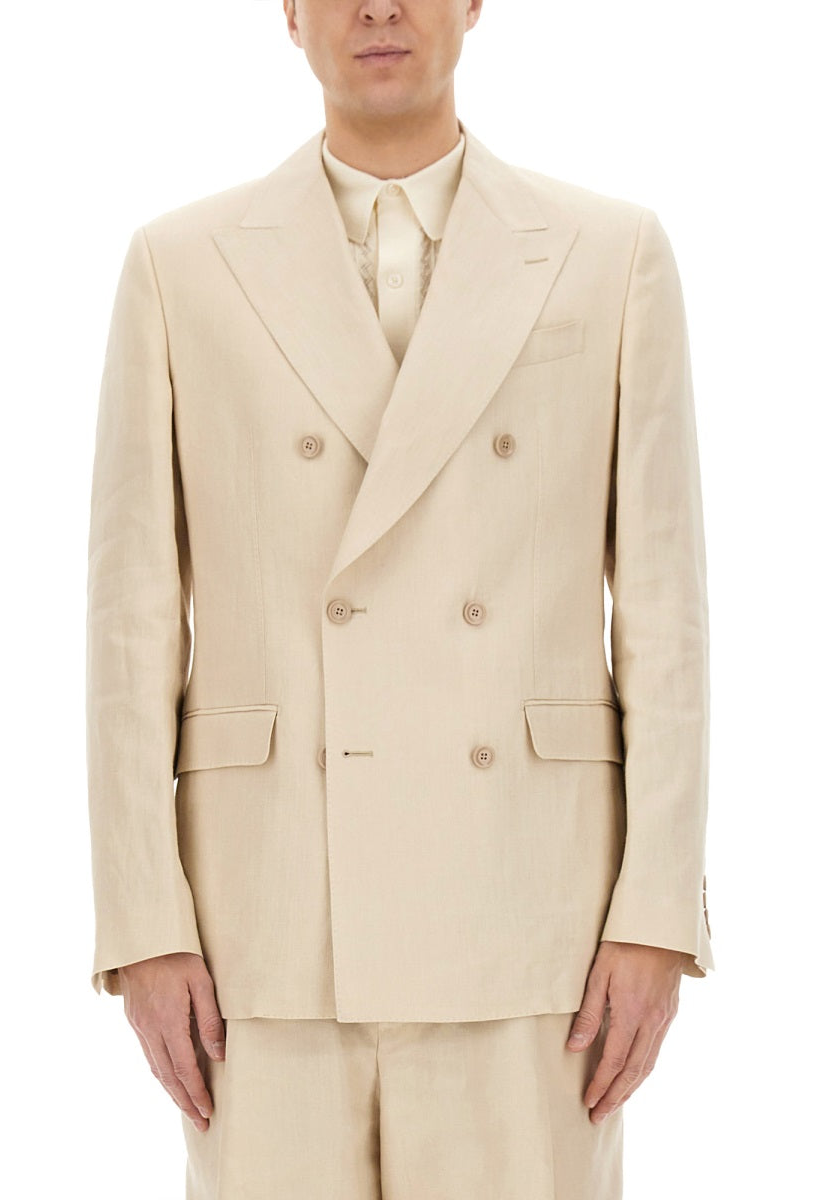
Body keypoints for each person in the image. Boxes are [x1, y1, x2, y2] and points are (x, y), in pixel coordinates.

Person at [85, 2, 714, 1196]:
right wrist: (144, 924)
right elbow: (130, 625)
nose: (378, 7)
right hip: (265, 922)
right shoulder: (180, 264)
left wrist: (656, 913)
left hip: (535, 916)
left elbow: (665, 615)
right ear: (288, 11)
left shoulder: (608, 252)